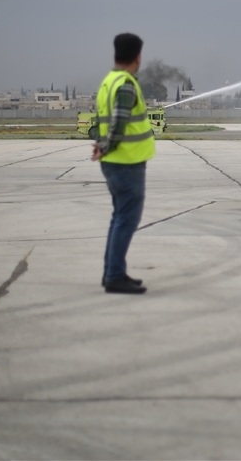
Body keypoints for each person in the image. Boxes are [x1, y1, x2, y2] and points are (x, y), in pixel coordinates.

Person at [91, 33, 156, 294]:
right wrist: (106, 145)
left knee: (118, 217)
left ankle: (112, 272)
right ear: (138, 57)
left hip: (113, 162)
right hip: (126, 162)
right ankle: (115, 275)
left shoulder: (108, 81)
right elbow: (117, 126)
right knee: (127, 218)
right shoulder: (126, 84)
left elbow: (99, 121)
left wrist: (100, 143)